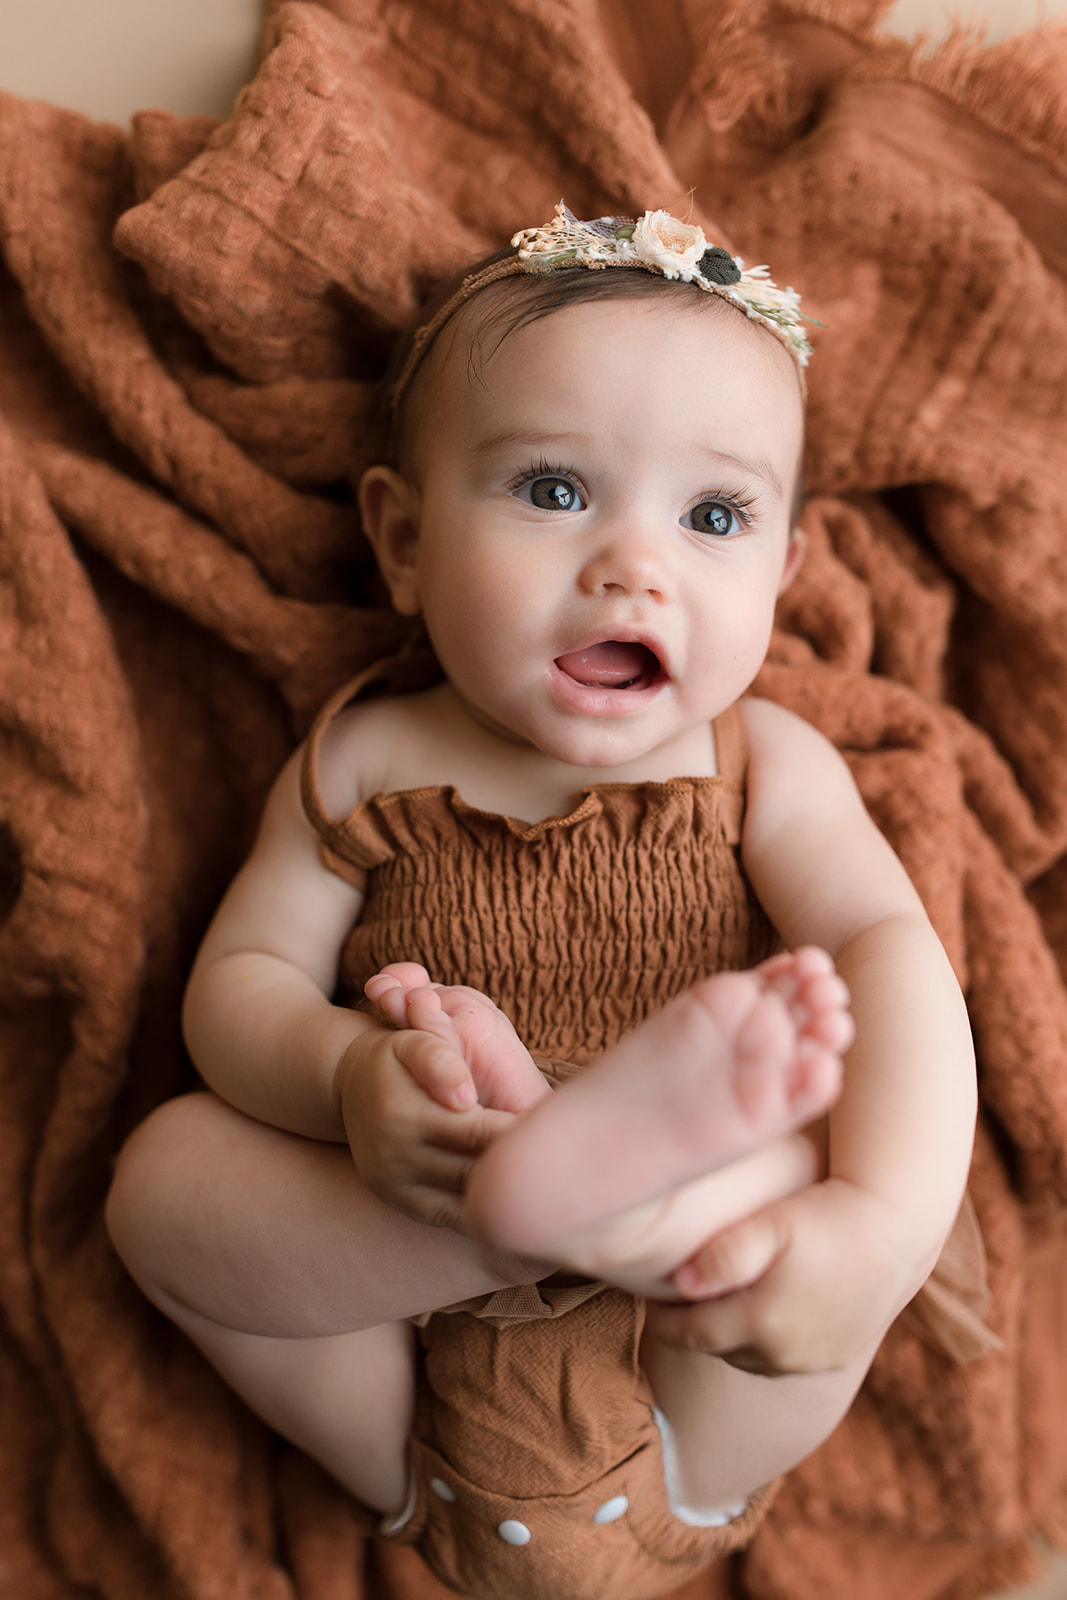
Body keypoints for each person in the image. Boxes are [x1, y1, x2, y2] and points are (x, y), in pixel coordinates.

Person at [105, 205, 978, 1600]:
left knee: (820, 1106)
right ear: (399, 537)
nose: (636, 567)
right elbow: (242, 984)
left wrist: (881, 1226)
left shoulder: (764, 765)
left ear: (782, 578)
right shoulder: (360, 756)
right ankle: (536, 1199)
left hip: (696, 1375)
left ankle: (614, 1198)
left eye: (713, 517)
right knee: (162, 1183)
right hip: (409, 1354)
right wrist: (347, 1082)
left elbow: (894, 951)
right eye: (555, 490)